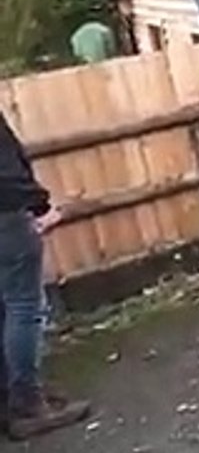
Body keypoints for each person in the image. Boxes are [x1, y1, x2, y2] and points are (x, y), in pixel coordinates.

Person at [0, 112, 90, 440]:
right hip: (6, 216)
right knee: (25, 307)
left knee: (4, 308)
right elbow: (6, 170)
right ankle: (27, 404)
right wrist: (40, 206)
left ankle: (11, 394)